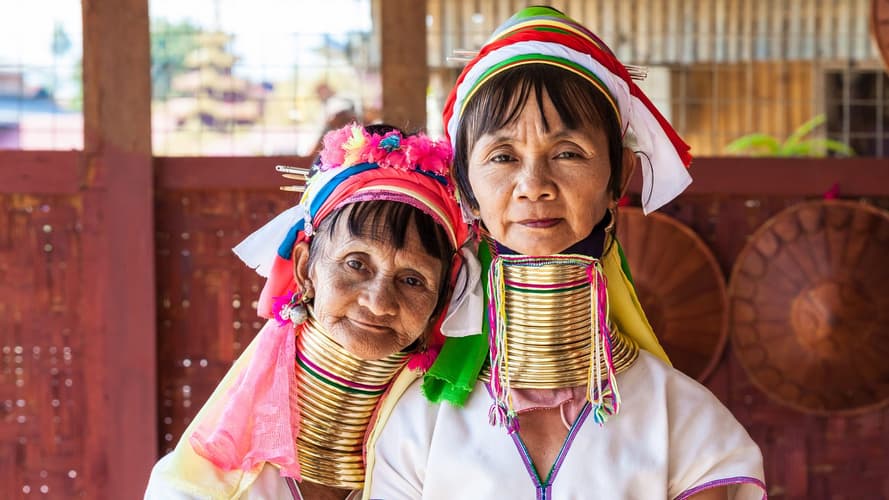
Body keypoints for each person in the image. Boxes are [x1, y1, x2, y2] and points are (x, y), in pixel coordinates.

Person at [366, 7, 766, 499]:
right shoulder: (417, 429)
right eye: (503, 156)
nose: (534, 186)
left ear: (616, 177)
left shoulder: (688, 427)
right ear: (466, 189)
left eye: (568, 152)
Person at [145, 123, 469, 499]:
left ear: (440, 302)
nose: (378, 302)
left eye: (412, 280)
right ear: (304, 269)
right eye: (356, 264)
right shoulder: (190, 491)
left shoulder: (450, 454)